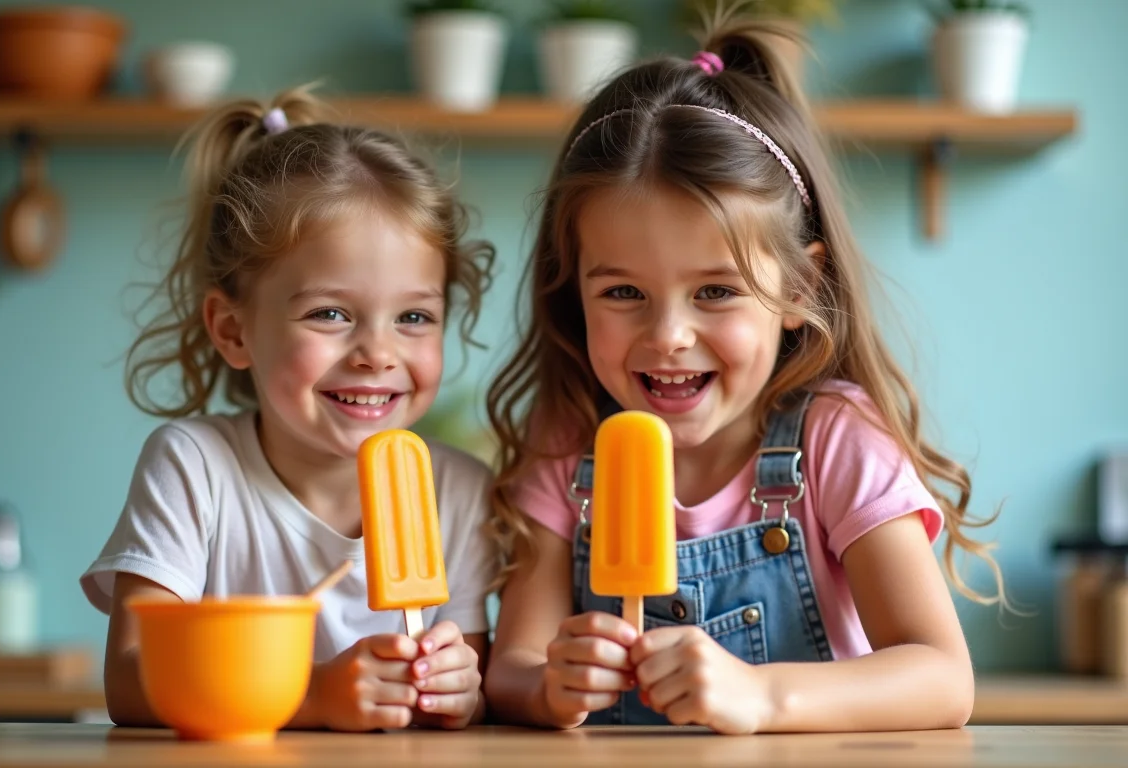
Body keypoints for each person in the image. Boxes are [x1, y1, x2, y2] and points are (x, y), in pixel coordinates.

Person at [482, 11, 1006, 734]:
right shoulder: (569, 443)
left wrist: (761, 697)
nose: (668, 336)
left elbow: (944, 678)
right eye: (623, 293)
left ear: (796, 290)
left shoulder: (835, 441)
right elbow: (510, 669)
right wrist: (549, 686)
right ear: (572, 291)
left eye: (716, 292)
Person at [79, 84, 497, 732]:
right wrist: (311, 699)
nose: (377, 353)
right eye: (330, 313)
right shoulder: (195, 470)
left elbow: (469, 685)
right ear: (232, 330)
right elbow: (131, 682)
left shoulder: (460, 492)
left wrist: (459, 689)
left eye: (414, 316)